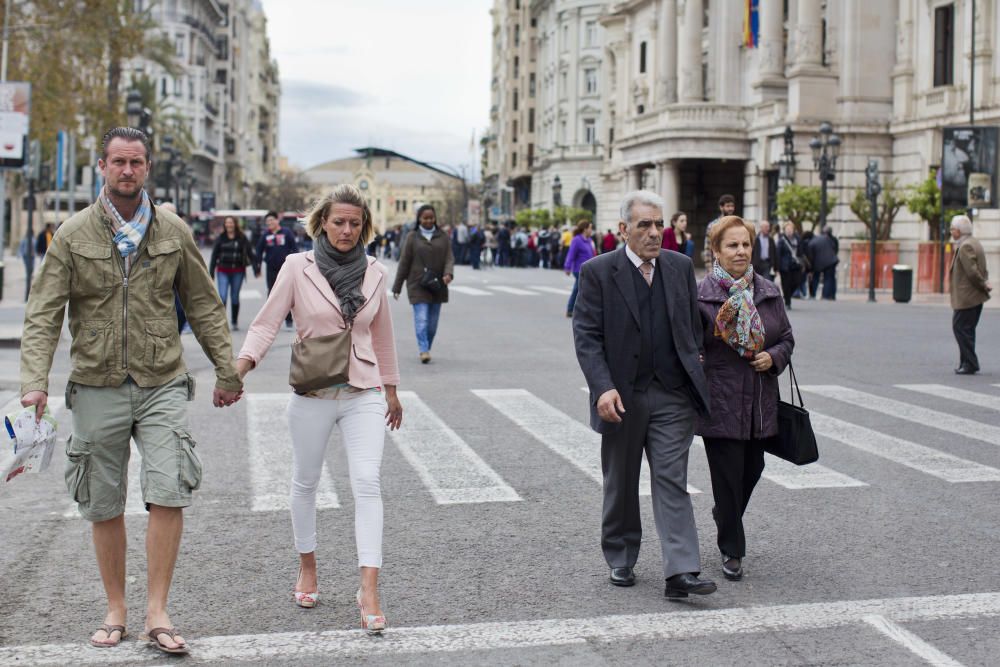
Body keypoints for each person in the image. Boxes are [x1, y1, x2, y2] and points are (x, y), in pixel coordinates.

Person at [19, 127, 242, 654]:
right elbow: (43, 313)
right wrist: (34, 384)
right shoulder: (72, 234)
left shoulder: (173, 230)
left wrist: (227, 370)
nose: (126, 171)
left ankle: (157, 611)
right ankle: (116, 607)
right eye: (117, 162)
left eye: (135, 162)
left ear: (147, 168)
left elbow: (205, 304)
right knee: (103, 501)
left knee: (169, 489)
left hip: (161, 377)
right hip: (96, 383)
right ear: (101, 166)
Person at [237, 184, 402, 634]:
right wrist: (242, 367)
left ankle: (368, 588)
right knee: (306, 481)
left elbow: (382, 334)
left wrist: (391, 389)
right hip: (312, 390)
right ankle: (307, 566)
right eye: (338, 222)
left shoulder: (375, 272)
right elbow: (267, 322)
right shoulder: (297, 266)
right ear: (322, 224)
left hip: (363, 391)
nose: (346, 230)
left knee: (367, 482)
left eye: (354, 223)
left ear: (364, 225)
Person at [573, 190, 716, 598]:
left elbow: (691, 326)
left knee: (672, 480)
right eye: (644, 225)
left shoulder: (679, 266)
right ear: (623, 230)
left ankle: (681, 571)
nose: (655, 233)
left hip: (672, 395)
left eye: (659, 224)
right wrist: (602, 387)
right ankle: (621, 555)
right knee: (621, 479)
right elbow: (586, 337)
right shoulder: (598, 272)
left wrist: (698, 365)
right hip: (622, 396)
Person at [697, 215, 794, 581]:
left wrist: (775, 357)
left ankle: (725, 514)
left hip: (759, 401)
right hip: (720, 400)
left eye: (745, 244)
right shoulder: (702, 295)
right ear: (716, 251)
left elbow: (786, 337)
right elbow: (690, 346)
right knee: (726, 475)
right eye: (732, 245)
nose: (740, 251)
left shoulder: (768, 291)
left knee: (754, 469)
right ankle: (732, 549)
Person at [392, 204, 455, 364]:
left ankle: (426, 345)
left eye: (431, 218)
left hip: (437, 285)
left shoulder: (443, 236)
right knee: (422, 320)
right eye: (425, 218)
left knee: (432, 325)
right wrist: (397, 287)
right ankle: (423, 350)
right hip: (417, 284)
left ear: (435, 219)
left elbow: (449, 257)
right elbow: (404, 263)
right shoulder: (412, 237)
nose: (428, 221)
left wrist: (448, 273)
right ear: (419, 219)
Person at [949, 215, 992, 374]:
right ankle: (965, 362)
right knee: (967, 329)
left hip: (967, 297)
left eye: (953, 229)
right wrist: (984, 281)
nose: (951, 232)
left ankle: (970, 363)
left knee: (960, 328)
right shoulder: (974, 242)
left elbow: (972, 272)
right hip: (974, 297)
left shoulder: (965, 246)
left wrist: (983, 283)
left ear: (959, 231)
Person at [209, 215, 258, 331]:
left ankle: (234, 321)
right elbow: (214, 256)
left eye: (231, 223)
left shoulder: (242, 238)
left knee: (235, 297)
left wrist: (256, 269)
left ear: (235, 224)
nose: (229, 225)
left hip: (238, 272)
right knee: (223, 296)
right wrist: (211, 273)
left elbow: (251, 254)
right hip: (223, 271)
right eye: (227, 223)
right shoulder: (220, 238)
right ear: (225, 225)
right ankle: (222, 322)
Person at [255, 210, 299, 329]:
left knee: (287, 293)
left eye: (271, 220)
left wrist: (297, 265)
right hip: (271, 268)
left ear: (277, 220)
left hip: (285, 268)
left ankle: (289, 320)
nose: (269, 223)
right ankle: (272, 321)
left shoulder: (286, 233)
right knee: (272, 293)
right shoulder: (265, 235)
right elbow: (259, 252)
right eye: (267, 221)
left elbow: (294, 249)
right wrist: (257, 267)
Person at [563, 219, 596, 318]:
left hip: (589, 269)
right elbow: (571, 254)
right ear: (585, 229)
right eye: (590, 228)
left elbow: (593, 254)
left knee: (583, 290)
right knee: (578, 290)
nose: (591, 230)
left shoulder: (589, 240)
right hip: (579, 269)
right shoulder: (576, 240)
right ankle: (570, 310)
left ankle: (581, 310)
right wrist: (567, 267)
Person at [704, 194, 737, 265]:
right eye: (728, 206)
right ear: (721, 207)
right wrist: (709, 268)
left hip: (733, 265)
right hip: (717, 265)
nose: (731, 208)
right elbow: (707, 248)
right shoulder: (713, 225)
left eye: (732, 206)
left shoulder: (737, 224)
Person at [777, 222, 803, 308]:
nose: (789, 231)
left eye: (790, 229)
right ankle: (788, 302)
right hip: (785, 266)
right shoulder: (782, 240)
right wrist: (777, 267)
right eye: (787, 230)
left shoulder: (798, 239)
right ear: (784, 230)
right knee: (786, 284)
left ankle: (787, 295)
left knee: (797, 281)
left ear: (793, 230)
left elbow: (801, 251)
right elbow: (778, 253)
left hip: (795, 264)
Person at [808, 226, 839, 300]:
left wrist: (811, 268)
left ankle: (816, 294)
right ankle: (828, 295)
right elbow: (835, 248)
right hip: (831, 261)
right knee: (829, 278)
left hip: (821, 262)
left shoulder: (812, 242)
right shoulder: (830, 239)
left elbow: (811, 257)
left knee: (819, 278)